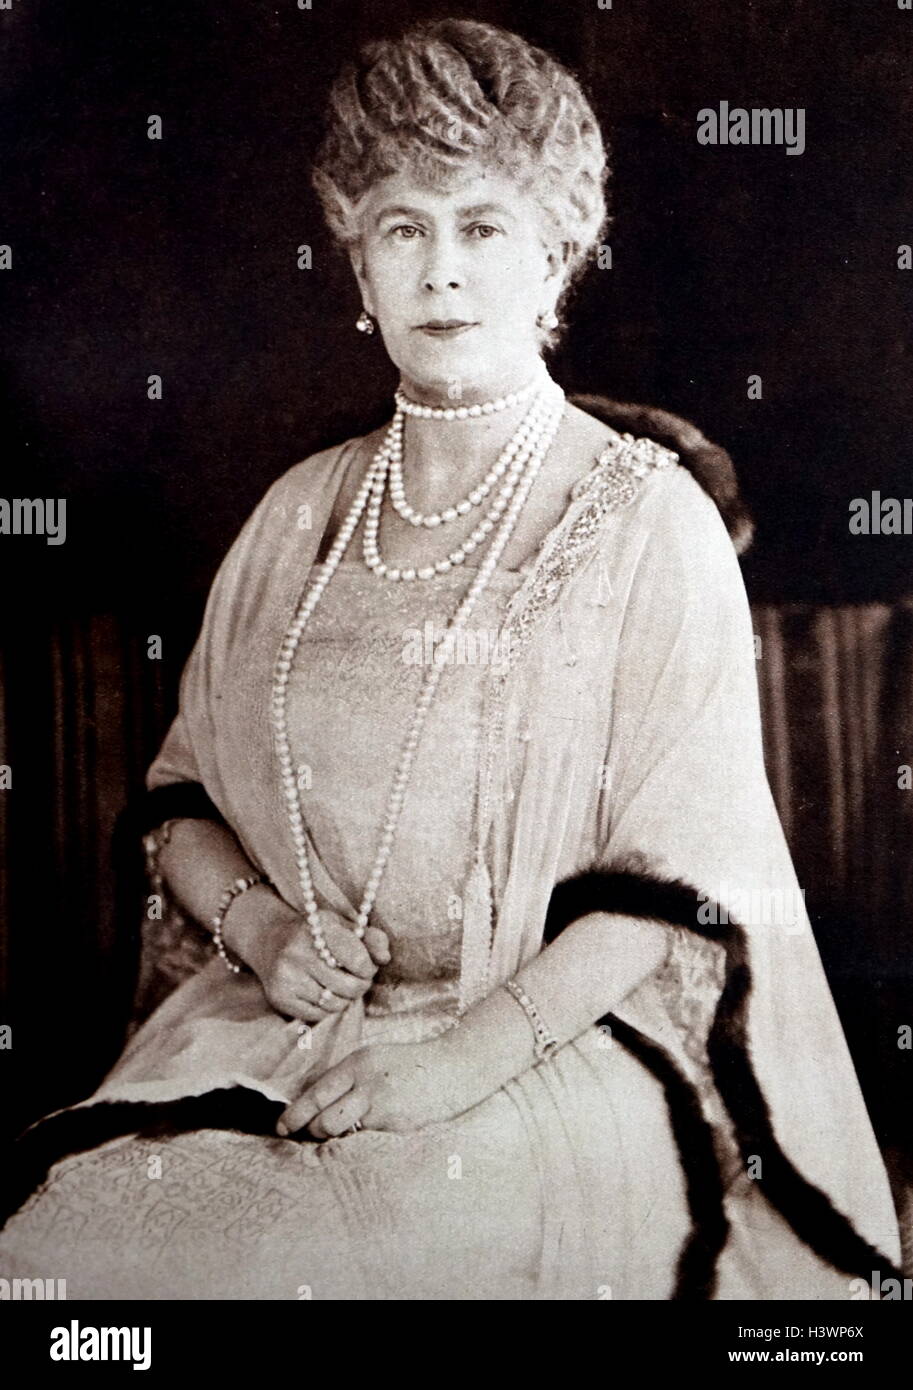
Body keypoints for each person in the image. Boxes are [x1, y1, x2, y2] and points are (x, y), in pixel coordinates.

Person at [0, 18, 902, 1300]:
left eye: (483, 225)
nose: (442, 272)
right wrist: (258, 930)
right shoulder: (295, 514)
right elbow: (179, 801)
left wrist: (458, 1059)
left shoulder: (649, 521)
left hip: (555, 1044)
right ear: (356, 267)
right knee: (52, 1270)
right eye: (401, 227)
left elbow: (677, 876)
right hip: (285, 1030)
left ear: (556, 260)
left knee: (301, 1267)